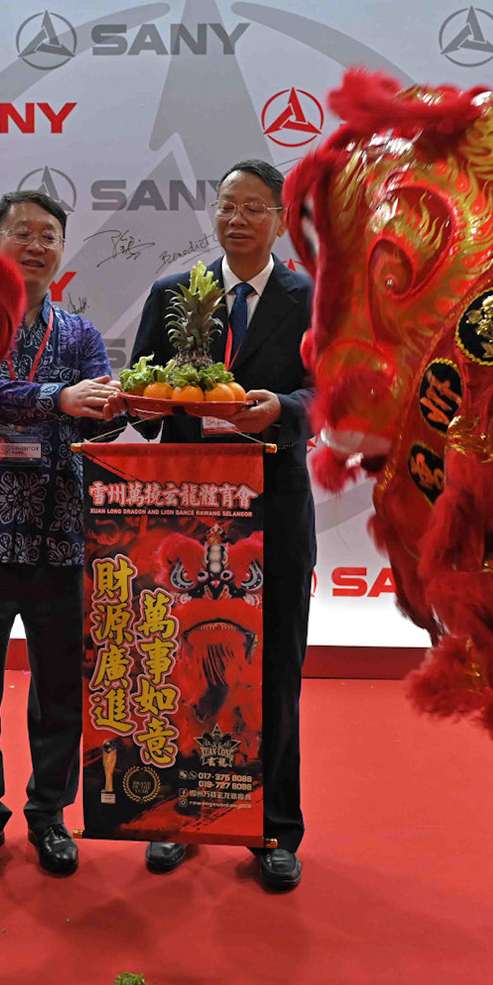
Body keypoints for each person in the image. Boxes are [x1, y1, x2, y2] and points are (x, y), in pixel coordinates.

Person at [125, 158, 316, 892]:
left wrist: (284, 410)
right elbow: (143, 386)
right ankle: (179, 817)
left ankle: (275, 829)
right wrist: (139, 405)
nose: (237, 219)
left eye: (253, 207)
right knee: (180, 666)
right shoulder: (175, 292)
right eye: (227, 205)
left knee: (273, 673)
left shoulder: (310, 298)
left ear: (280, 219)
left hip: (273, 510)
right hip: (183, 510)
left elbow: (331, 390)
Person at [0, 189, 118, 880]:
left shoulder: (80, 336)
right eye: (23, 232)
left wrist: (122, 405)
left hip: (60, 534)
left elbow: (100, 419)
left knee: (61, 688)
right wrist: (58, 399)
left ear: (62, 251)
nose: (37, 245)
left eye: (49, 235)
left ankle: (50, 813)